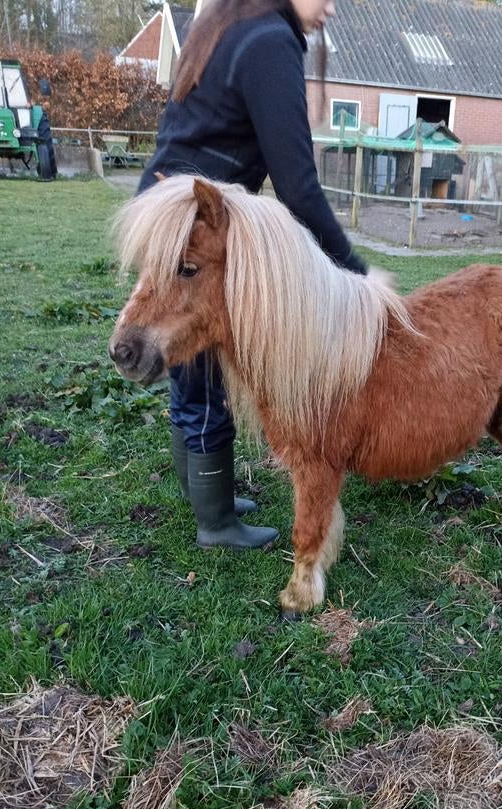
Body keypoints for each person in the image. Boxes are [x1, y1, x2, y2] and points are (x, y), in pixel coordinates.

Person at [138, 0, 367, 550]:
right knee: (206, 367)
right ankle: (215, 522)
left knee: (190, 366)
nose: (331, 8)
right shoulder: (268, 41)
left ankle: (202, 493)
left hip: (170, 207)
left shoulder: (224, 22)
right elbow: (297, 186)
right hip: (198, 222)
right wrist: (354, 273)